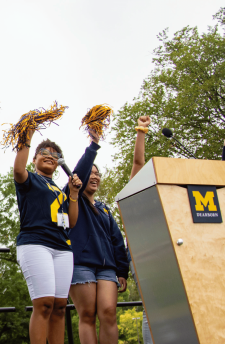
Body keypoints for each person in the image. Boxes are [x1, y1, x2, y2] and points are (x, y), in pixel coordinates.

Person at [13, 129, 82, 344]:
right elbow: (18, 168)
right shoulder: (29, 180)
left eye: (55, 154)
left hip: (62, 248)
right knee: (44, 304)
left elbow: (71, 222)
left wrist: (73, 194)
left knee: (60, 307)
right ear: (34, 159)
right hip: (35, 244)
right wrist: (27, 133)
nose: (49, 155)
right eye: (43, 151)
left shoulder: (60, 190)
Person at [65, 130, 129, 344]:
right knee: (88, 315)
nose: (94, 176)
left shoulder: (104, 210)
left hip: (107, 268)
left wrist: (122, 270)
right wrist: (93, 145)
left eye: (97, 174)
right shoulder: (72, 199)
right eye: (90, 173)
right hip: (81, 265)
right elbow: (80, 171)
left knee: (109, 312)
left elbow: (117, 241)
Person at [128, 115, 153, 344]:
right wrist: (141, 131)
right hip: (141, 251)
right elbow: (138, 164)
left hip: (168, 249)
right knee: (152, 306)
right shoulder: (135, 196)